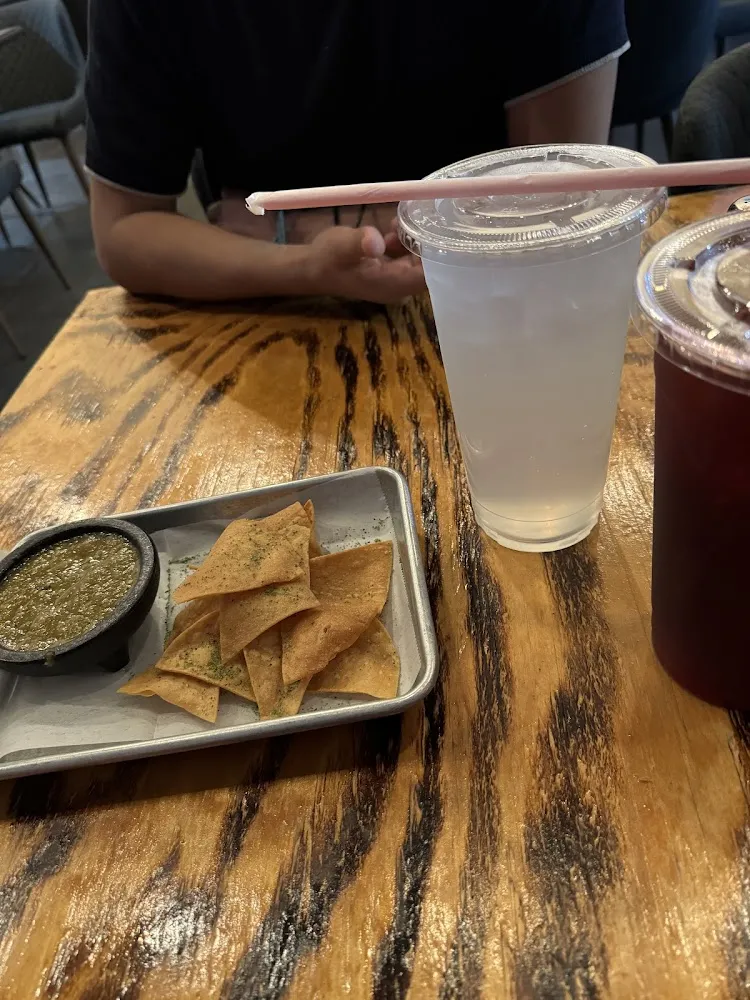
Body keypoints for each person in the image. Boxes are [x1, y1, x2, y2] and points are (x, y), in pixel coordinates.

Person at [86, 0, 629, 304]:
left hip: (500, 307)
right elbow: (123, 232)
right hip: (268, 309)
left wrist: (286, 229)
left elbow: (562, 213)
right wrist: (304, 265)